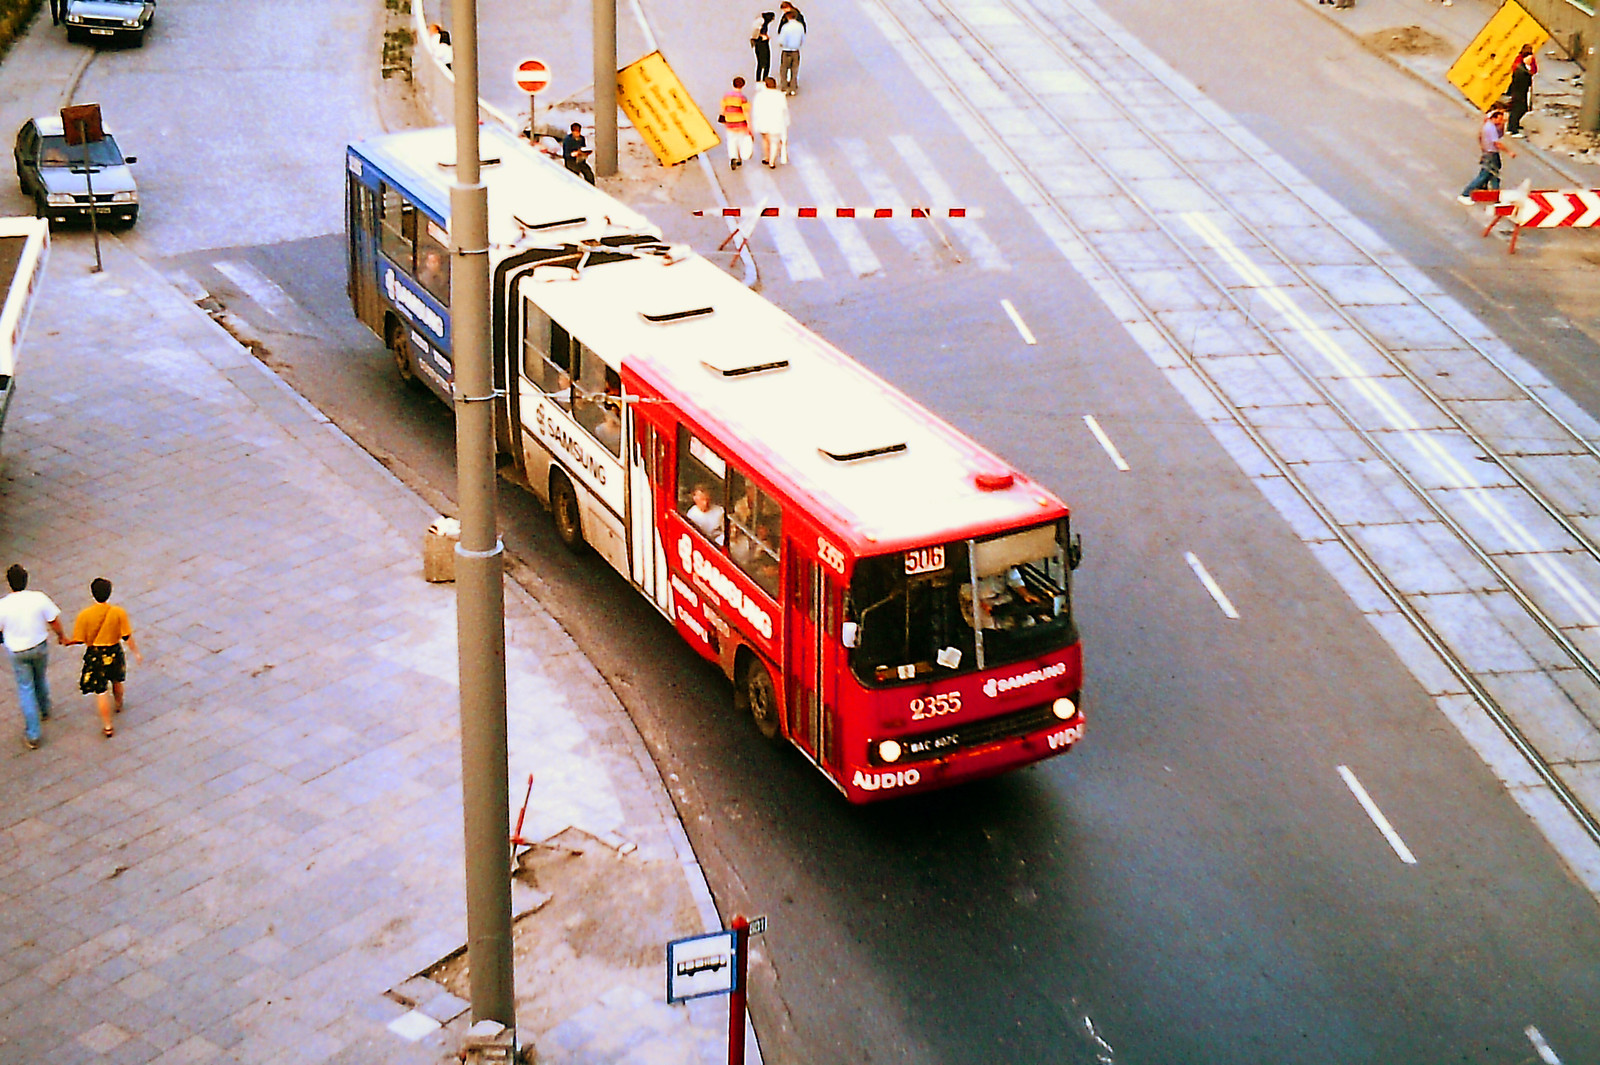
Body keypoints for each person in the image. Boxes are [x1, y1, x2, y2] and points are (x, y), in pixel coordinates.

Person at [0, 564, 66, 750]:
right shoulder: (38, 598)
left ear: (9, 583)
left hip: (17, 651)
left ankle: (34, 734)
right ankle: (45, 709)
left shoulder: (3, 605)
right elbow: (54, 620)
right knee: (40, 677)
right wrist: (61, 636)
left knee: (25, 687)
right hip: (39, 645)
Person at [66, 578, 143, 739]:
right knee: (117, 680)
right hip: (114, 651)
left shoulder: (85, 615)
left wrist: (67, 641)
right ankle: (119, 703)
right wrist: (136, 652)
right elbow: (126, 635)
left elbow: (79, 639)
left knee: (101, 691)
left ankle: (108, 726)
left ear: (93, 593)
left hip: (96, 655)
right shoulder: (118, 612)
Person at [1458, 107, 1515, 203]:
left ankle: (1495, 196)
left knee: (1494, 175)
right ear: (1494, 118)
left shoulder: (1489, 126)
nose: (1501, 121)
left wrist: (1502, 124)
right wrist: (1509, 152)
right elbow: (1497, 143)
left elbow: (1497, 135)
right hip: (1491, 154)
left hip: (1488, 152)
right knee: (1485, 175)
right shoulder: (1490, 128)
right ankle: (1466, 194)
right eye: (1500, 119)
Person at [750, 78, 790, 169]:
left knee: (765, 139)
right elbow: (784, 109)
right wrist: (786, 121)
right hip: (776, 121)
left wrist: (755, 121)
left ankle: (766, 156)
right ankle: (772, 161)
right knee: (774, 141)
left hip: (763, 121)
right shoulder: (780, 95)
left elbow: (755, 110)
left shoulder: (759, 95)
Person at [720, 77, 754, 171]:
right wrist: (749, 125)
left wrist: (723, 116)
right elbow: (746, 112)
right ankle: (739, 158)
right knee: (740, 141)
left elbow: (723, 108)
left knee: (731, 141)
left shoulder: (726, 96)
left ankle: (733, 157)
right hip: (741, 123)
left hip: (730, 122)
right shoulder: (742, 98)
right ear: (742, 86)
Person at [1507, 44, 1537, 137]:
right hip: (1519, 92)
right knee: (1519, 109)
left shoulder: (1523, 67)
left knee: (1518, 109)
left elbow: (1535, 69)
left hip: (1520, 91)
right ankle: (1513, 129)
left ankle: (1512, 126)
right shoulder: (1520, 69)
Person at [776, 8, 806, 96]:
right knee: (794, 69)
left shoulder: (785, 27)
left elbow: (781, 39)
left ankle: (784, 87)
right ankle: (793, 88)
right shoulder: (800, 26)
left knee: (784, 69)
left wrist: (782, 44)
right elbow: (802, 38)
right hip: (796, 50)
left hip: (786, 50)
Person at [750, 11, 775, 83]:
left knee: (760, 63)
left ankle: (759, 79)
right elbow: (755, 32)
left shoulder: (761, 20)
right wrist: (762, 36)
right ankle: (764, 78)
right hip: (761, 43)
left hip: (760, 43)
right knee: (765, 62)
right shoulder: (761, 22)